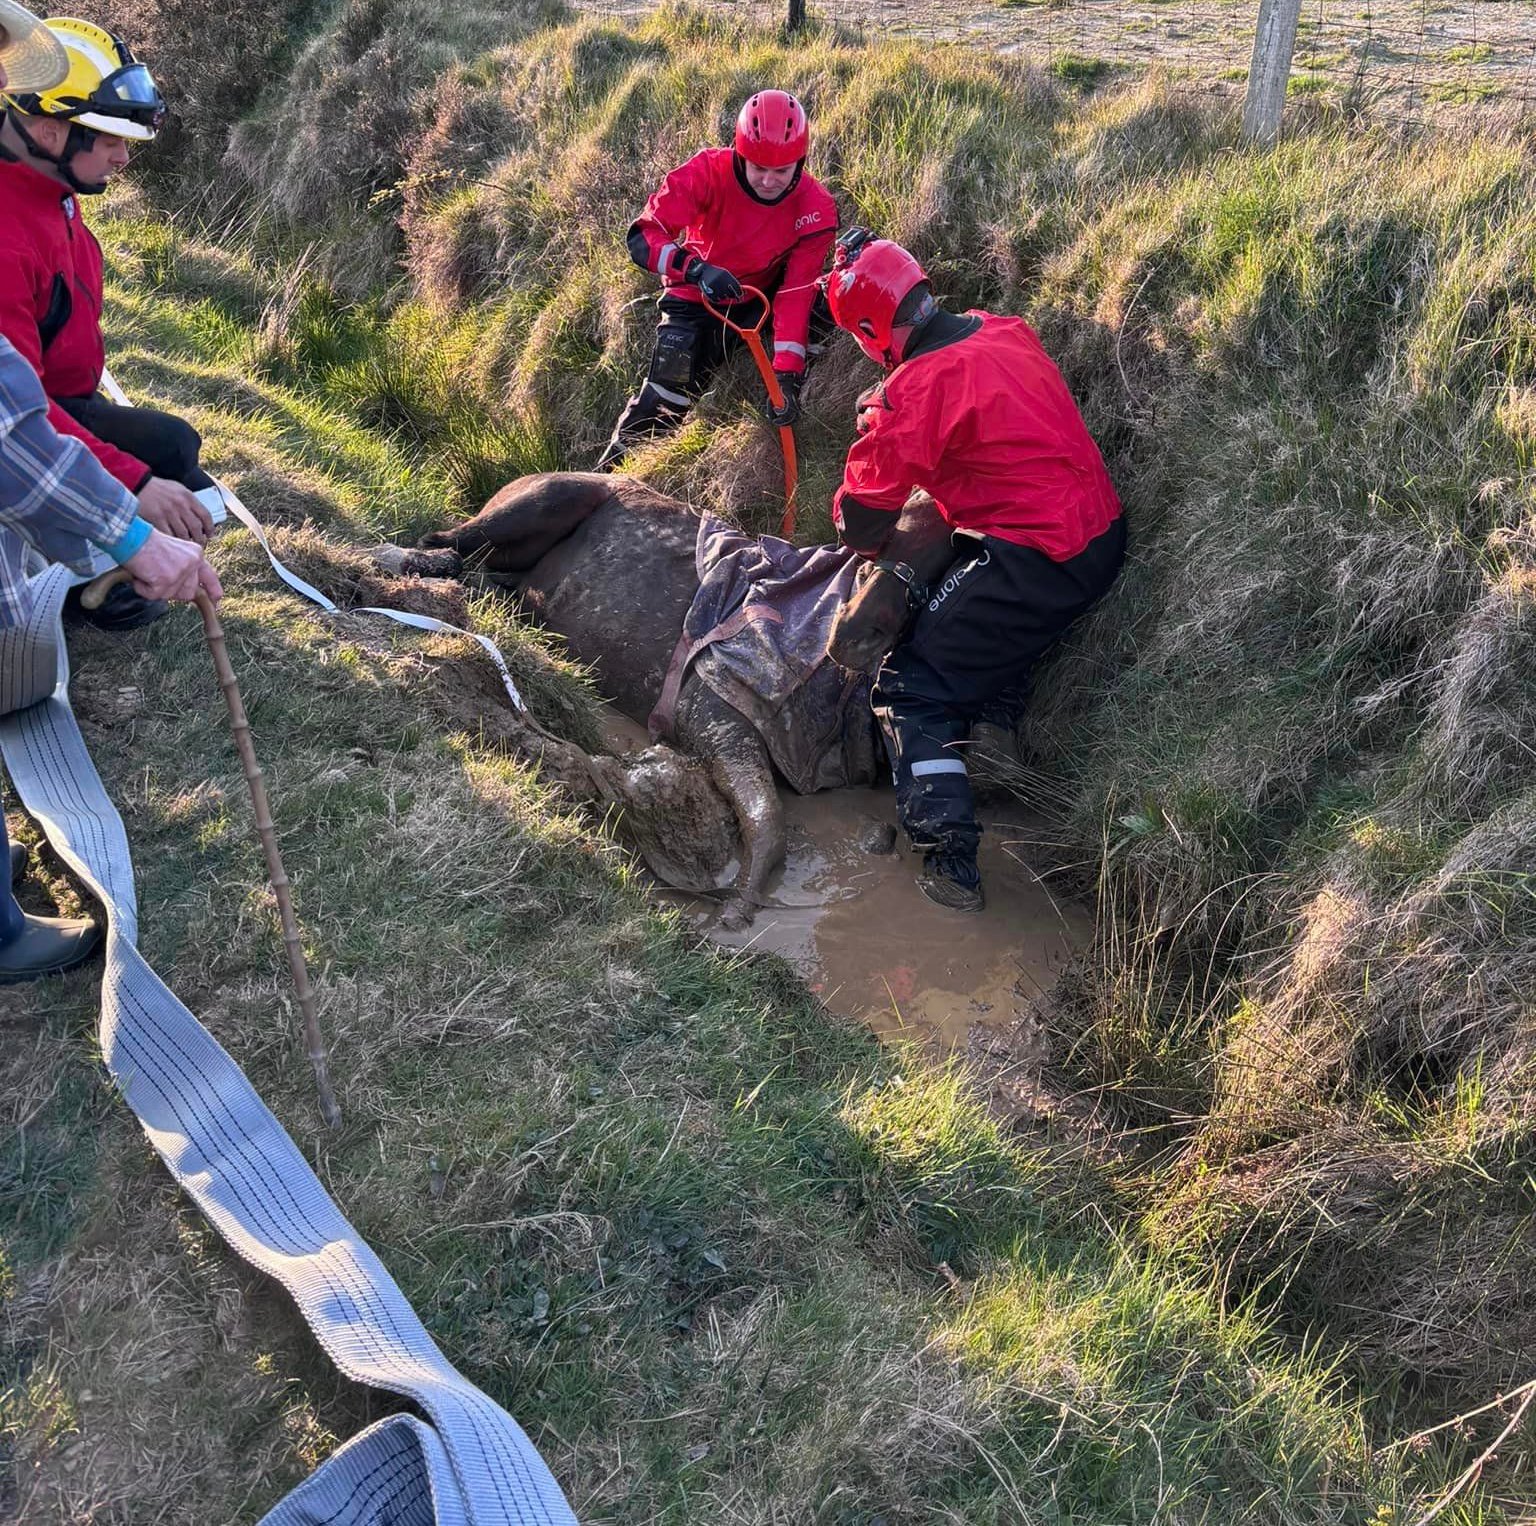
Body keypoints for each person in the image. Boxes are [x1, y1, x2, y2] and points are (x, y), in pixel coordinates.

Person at [825, 229, 1126, 912]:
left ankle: (950, 863)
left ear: (872, 333)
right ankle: (991, 735)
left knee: (910, 687)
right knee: (974, 620)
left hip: (1033, 557)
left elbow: (864, 524)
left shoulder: (910, 395)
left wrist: (878, 421)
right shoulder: (1003, 331)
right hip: (1100, 534)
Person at [0, 14, 213, 632]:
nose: (124, 156)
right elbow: (16, 421)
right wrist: (133, 488)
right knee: (164, 468)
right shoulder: (7, 240)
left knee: (176, 450)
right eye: (108, 139)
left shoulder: (49, 184)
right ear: (47, 129)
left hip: (64, 399)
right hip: (42, 411)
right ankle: (78, 582)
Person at [597, 89, 838, 470]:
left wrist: (787, 378)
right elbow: (642, 238)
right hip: (695, 297)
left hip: (759, 296)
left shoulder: (816, 209)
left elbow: (795, 294)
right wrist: (695, 268)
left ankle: (801, 371)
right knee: (667, 395)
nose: (769, 181)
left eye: (782, 171)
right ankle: (604, 482)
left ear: (801, 162)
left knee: (829, 304)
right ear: (739, 153)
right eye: (758, 167)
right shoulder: (706, 171)